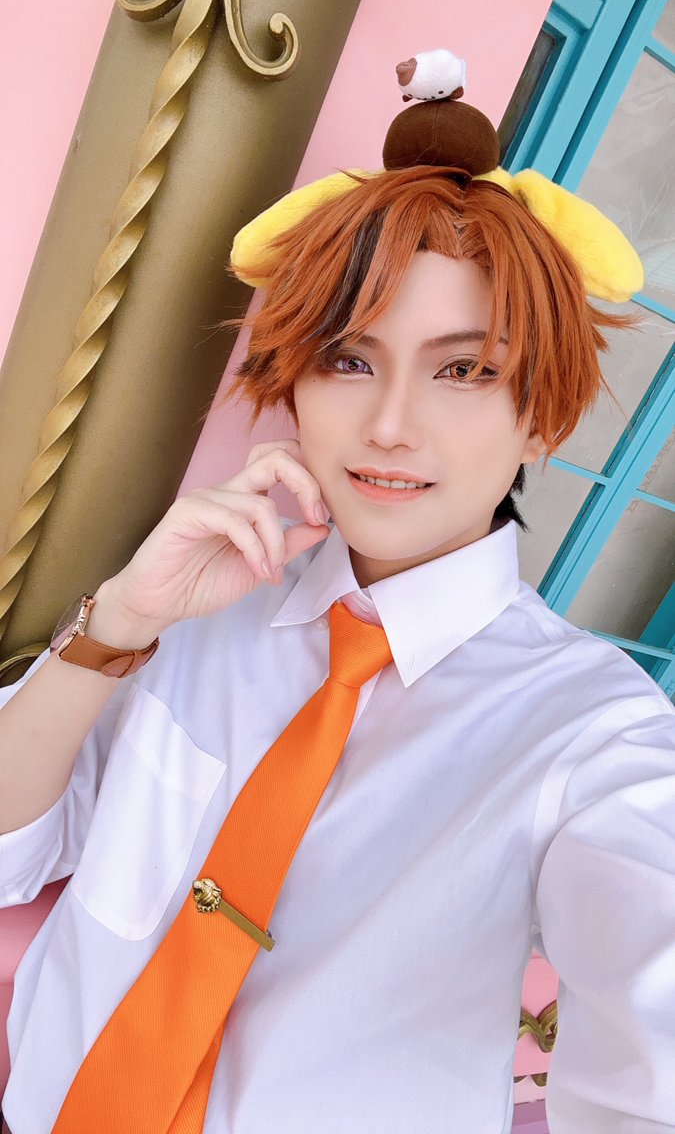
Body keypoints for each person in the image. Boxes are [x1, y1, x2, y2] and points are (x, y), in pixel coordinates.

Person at [1, 67, 674, 1134]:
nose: (390, 426)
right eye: (349, 360)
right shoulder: (199, 613)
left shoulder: (593, 734)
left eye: (465, 371)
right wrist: (118, 623)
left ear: (541, 418)